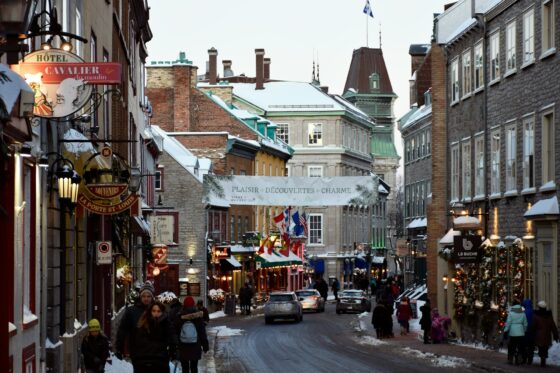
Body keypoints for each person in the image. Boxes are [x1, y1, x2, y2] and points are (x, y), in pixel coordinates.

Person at [115, 281, 155, 363]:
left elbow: (167, 329)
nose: (146, 298)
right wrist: (119, 348)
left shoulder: (157, 310)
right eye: (143, 296)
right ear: (140, 297)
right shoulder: (132, 311)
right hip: (137, 351)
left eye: (148, 296)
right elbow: (122, 330)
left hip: (154, 351)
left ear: (152, 297)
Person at [133, 301, 176, 372]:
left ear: (162, 312)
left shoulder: (167, 324)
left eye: (159, 311)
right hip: (144, 361)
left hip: (160, 360)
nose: (156, 313)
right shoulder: (143, 324)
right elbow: (138, 342)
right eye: (154, 311)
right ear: (150, 311)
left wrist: (174, 350)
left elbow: (172, 337)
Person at [176, 296, 209, 373]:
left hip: (183, 346)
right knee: (194, 367)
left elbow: (176, 331)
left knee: (185, 368)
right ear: (194, 304)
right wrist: (205, 345)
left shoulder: (179, 316)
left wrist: (175, 345)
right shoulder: (198, 316)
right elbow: (202, 332)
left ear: (184, 304)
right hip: (195, 345)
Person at [530, 300, 559, 367]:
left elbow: (533, 326)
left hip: (539, 335)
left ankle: (542, 357)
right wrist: (555, 334)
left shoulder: (536, 316)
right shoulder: (549, 316)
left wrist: (531, 332)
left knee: (541, 347)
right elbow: (553, 326)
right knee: (545, 347)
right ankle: (544, 358)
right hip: (547, 335)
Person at [503, 300, 528, 365]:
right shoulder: (523, 313)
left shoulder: (511, 313)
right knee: (520, 346)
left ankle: (510, 359)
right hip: (521, 332)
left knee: (511, 346)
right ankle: (519, 358)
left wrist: (505, 331)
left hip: (513, 333)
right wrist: (524, 331)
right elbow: (525, 324)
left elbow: (508, 323)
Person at [521, 298, 535, 364]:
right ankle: (530, 359)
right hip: (532, 331)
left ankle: (524, 359)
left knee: (524, 345)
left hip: (524, 330)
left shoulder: (522, 312)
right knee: (531, 346)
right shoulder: (533, 311)